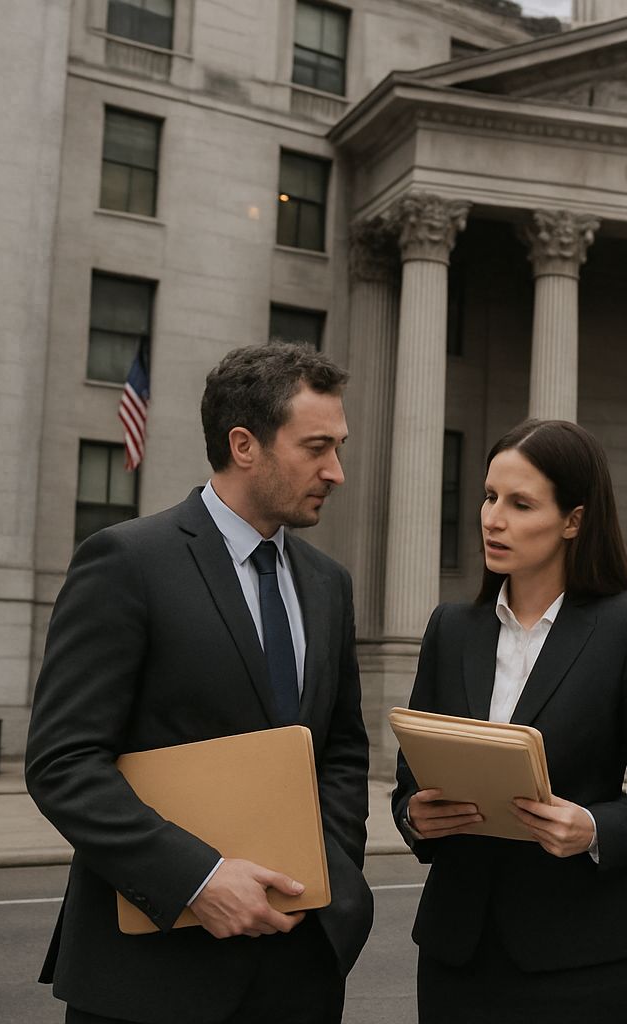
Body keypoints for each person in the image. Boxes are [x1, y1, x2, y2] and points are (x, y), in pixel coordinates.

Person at [25, 345, 372, 1024]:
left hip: (299, 971)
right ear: (244, 445)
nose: (336, 471)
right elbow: (63, 763)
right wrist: (198, 880)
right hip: (154, 980)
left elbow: (341, 750)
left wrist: (322, 872)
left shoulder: (329, 583)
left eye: (339, 447)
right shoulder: (126, 562)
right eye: (316, 447)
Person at [390, 418, 627, 1024]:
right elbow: (408, 784)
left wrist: (593, 828)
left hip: (583, 960)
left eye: (520, 503)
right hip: (458, 954)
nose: (492, 518)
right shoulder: (451, 629)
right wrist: (415, 818)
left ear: (573, 521)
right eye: (489, 497)